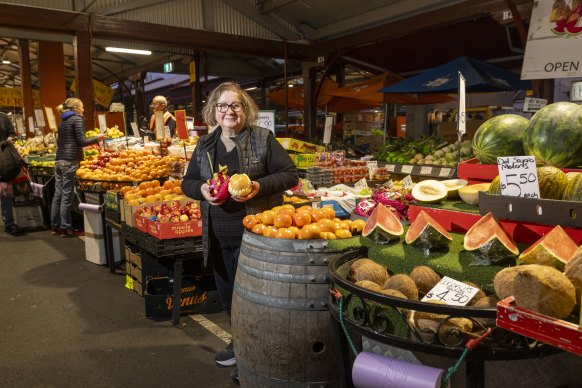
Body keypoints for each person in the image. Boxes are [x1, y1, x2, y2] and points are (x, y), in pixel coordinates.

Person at [181, 82, 299, 383]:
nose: (229, 111)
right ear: (214, 111)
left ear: (245, 110)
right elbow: (188, 182)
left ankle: (256, 358)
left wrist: (258, 187)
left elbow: (289, 174)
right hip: (218, 236)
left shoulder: (263, 139)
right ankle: (240, 343)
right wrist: (203, 189)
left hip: (256, 236)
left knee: (255, 300)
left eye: (236, 105)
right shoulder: (206, 145)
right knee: (228, 296)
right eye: (223, 106)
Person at [51, 98, 105, 237]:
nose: (83, 110)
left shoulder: (62, 121)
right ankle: (66, 228)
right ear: (75, 107)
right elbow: (81, 141)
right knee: (67, 194)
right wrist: (97, 138)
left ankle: (55, 226)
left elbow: (61, 142)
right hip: (70, 160)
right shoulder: (77, 119)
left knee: (58, 193)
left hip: (59, 160)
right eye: (82, 107)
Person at [0, 112, 23, 235]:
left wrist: (8, 141)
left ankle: (8, 223)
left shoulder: (3, 117)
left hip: (4, 156)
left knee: (5, 189)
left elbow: (11, 133)